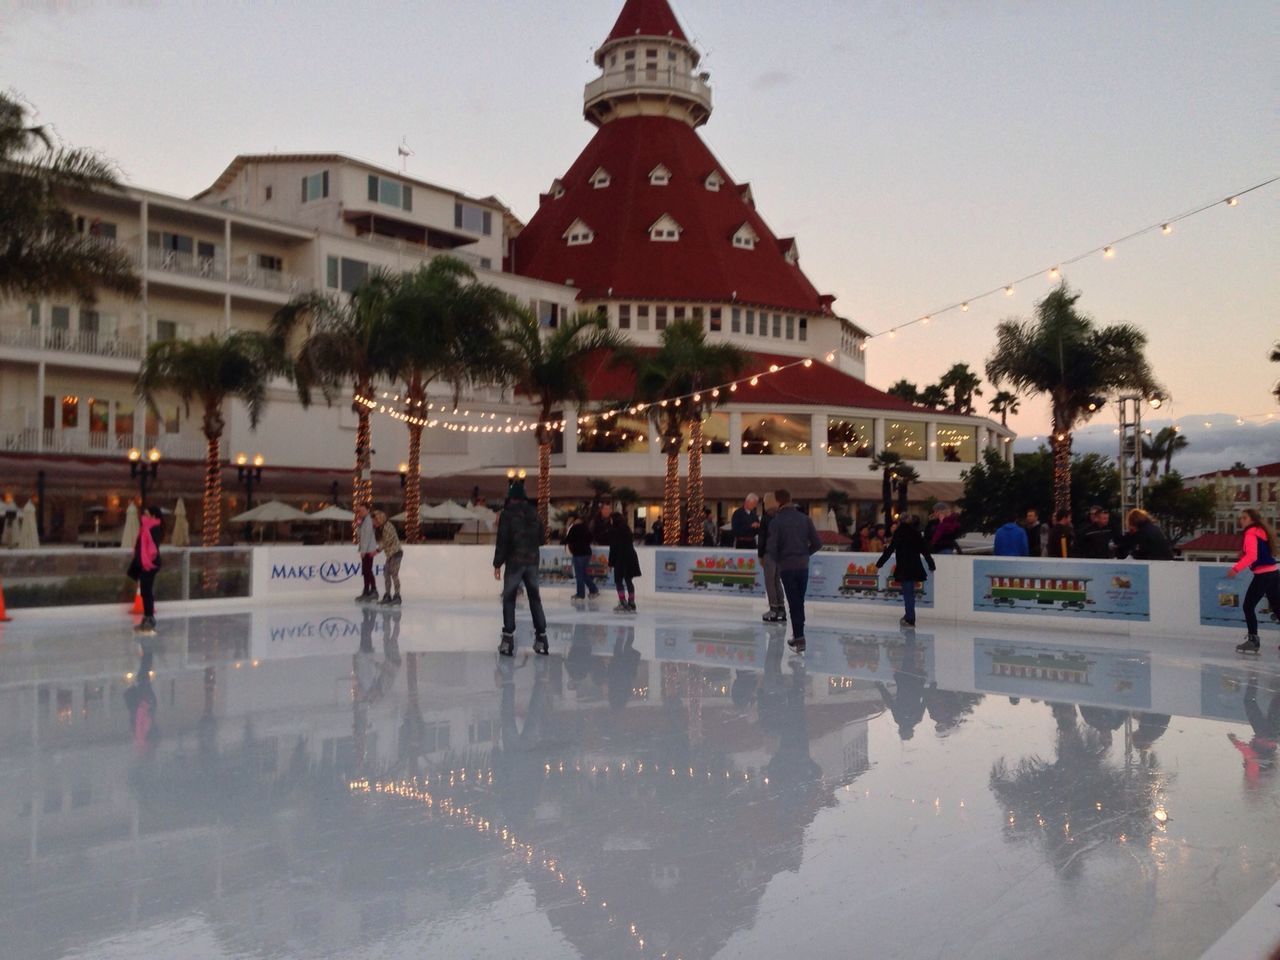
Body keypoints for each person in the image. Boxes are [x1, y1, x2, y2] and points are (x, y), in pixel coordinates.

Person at [493, 478, 548, 656]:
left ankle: (508, 639)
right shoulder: (535, 513)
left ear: (511, 497)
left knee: (509, 599)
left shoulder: (507, 515)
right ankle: (541, 638)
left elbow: (502, 540)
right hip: (532, 562)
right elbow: (542, 539)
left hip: (515, 562)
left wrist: (497, 564)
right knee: (535, 599)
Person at [766, 488, 821, 652]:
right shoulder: (805, 519)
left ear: (777, 501)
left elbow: (771, 548)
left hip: (787, 567)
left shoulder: (776, 521)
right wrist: (805, 554)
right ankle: (799, 636)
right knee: (799, 601)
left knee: (793, 602)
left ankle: (799, 638)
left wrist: (781, 560)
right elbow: (817, 543)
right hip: (803, 565)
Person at [1227, 508, 1280, 654]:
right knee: (1277, 607)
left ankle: (1253, 641)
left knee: (1248, 606)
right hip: (1273, 572)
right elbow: (1259, 552)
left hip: (1263, 575)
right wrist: (1243, 553)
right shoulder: (1260, 532)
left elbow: (1252, 557)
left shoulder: (1250, 533)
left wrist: (1236, 569)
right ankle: (1253, 640)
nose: (1241, 520)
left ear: (1252, 520)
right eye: (1240, 518)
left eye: (1244, 518)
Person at [876, 514, 936, 627]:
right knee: (910, 593)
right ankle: (909, 616)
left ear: (900, 522)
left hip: (904, 567)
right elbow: (925, 550)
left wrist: (880, 563)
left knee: (907, 593)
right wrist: (931, 564)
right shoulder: (916, 533)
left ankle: (910, 618)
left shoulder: (899, 533)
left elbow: (890, 549)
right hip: (915, 567)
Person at [129, 504, 164, 633]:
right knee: (144, 591)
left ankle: (150, 618)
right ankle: (147, 617)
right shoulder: (146, 528)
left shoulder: (153, 528)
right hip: (145, 563)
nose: (144, 516)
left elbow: (152, 549)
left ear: (153, 516)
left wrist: (147, 562)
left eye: (147, 514)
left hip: (150, 564)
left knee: (147, 591)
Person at [759, 492, 786, 623]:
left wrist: (760, 555)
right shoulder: (782, 516)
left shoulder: (766, 518)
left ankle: (773, 609)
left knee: (770, 581)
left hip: (770, 553)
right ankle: (781, 608)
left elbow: (762, 538)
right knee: (777, 581)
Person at [607, 511, 641, 612]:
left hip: (620, 558)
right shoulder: (627, 529)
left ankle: (623, 602)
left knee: (618, 581)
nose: (610, 521)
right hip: (630, 557)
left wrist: (610, 563)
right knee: (628, 580)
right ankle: (631, 602)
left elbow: (613, 548)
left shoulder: (614, 531)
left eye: (611, 519)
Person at [561, 512, 599, 601]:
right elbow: (590, 539)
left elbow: (567, 539)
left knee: (579, 575)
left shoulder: (573, 529)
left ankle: (580, 594)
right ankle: (593, 589)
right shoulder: (586, 529)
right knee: (584, 574)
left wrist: (567, 528)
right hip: (587, 553)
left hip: (578, 554)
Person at [371, 510, 403, 605]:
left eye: (375, 521)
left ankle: (397, 596)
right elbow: (383, 541)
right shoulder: (382, 527)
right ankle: (387, 595)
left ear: (379, 519)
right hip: (390, 554)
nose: (374, 523)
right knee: (386, 574)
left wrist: (377, 550)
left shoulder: (388, 527)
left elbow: (387, 541)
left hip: (396, 553)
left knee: (394, 574)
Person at [354, 503, 379, 602]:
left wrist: (363, 551)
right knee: (366, 571)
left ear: (368, 510)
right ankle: (367, 590)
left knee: (367, 570)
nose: (361, 512)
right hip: (366, 550)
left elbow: (367, 536)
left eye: (363, 510)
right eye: (360, 511)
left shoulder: (368, 521)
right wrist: (358, 524)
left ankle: (372, 590)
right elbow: (359, 534)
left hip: (369, 550)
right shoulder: (364, 521)